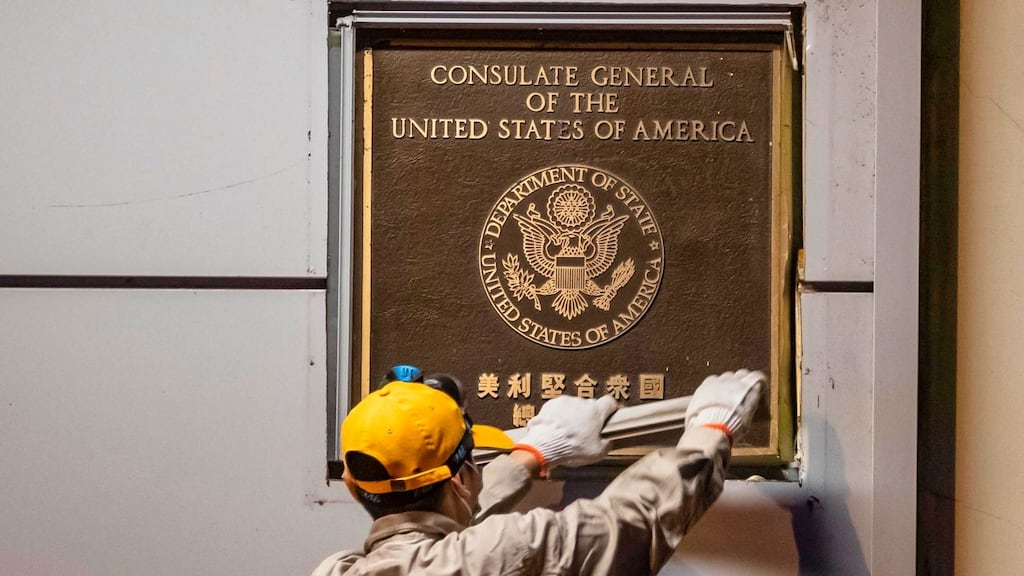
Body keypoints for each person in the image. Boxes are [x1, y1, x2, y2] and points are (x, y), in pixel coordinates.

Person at [312, 366, 765, 576]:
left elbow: (443, 550)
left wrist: (531, 454)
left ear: (354, 488)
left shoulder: (337, 570)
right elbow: (632, 523)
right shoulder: (509, 547)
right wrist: (712, 428)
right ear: (464, 478)